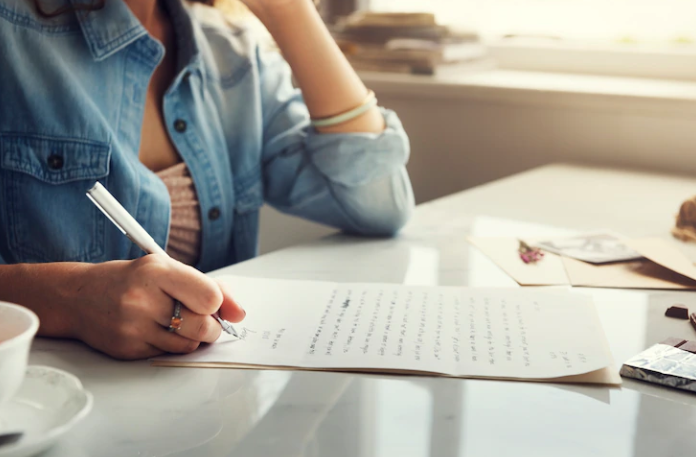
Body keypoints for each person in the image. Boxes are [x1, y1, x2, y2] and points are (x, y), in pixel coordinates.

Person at [0, 0, 414, 359]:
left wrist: (290, 11)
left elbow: (380, 205)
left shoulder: (229, 50)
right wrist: (70, 300)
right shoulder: (10, 33)